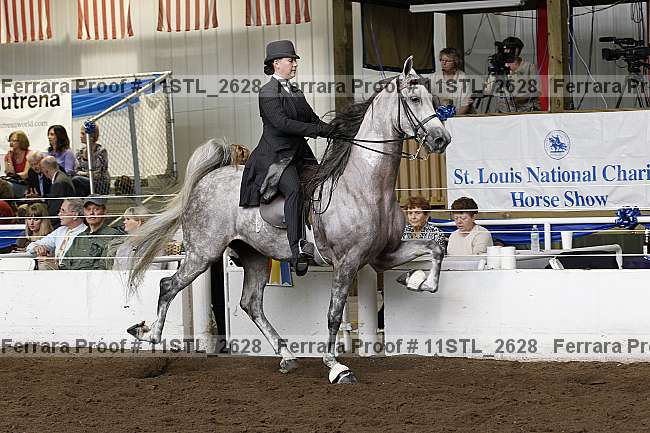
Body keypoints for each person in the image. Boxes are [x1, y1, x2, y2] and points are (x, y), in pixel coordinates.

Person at [239, 40, 335, 276]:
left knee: (324, 182)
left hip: (299, 153)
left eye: (294, 61)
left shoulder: (296, 92)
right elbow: (282, 124)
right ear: (276, 63)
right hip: (276, 156)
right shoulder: (267, 92)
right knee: (294, 189)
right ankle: (297, 249)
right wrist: (317, 131)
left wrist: (335, 130)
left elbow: (312, 119)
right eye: (290, 60)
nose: (294, 64)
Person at [62, 196, 123, 270]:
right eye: (88, 209)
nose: (91, 213)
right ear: (84, 212)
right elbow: (65, 263)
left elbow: (106, 266)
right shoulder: (80, 237)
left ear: (104, 211)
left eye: (96, 209)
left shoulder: (113, 235)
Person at [25, 198, 87, 270]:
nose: (59, 214)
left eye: (63, 211)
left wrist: (53, 261)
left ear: (75, 215)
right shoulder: (60, 231)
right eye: (60, 211)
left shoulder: (86, 233)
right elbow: (30, 247)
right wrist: (37, 248)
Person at [484, 37, 541, 113]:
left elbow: (537, 91)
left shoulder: (529, 67)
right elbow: (488, 89)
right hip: (504, 111)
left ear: (519, 50)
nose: (510, 51)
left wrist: (519, 99)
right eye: (508, 48)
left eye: (514, 48)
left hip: (527, 110)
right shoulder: (499, 66)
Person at [113, 205, 163, 270]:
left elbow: (154, 268)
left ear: (139, 222)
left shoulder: (153, 244)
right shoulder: (124, 246)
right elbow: (116, 268)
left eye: (128, 219)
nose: (124, 222)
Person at [432, 48, 473, 115]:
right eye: (442, 60)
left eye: (448, 61)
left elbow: (465, 104)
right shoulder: (434, 77)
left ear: (455, 62)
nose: (444, 63)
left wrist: (455, 119)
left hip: (459, 116)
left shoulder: (463, 78)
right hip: (438, 118)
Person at [73, 123, 110, 196]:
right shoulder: (80, 152)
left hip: (100, 183)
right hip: (85, 181)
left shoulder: (101, 151)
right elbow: (76, 171)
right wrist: (88, 173)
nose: (80, 136)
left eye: (83, 134)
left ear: (91, 135)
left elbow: (98, 174)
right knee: (75, 180)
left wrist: (83, 173)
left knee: (76, 180)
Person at [41, 156, 75, 225]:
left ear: (46, 171)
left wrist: (48, 225)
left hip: (60, 223)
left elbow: (54, 209)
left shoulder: (58, 183)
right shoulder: (62, 176)